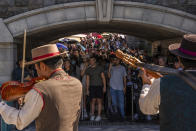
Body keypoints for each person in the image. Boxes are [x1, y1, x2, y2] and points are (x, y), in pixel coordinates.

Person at [0, 44, 82, 131]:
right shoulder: (77, 83)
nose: (37, 73)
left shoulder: (41, 89)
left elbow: (20, 121)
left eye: (37, 68)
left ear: (42, 66)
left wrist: (1, 106)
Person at [139, 34, 196, 131]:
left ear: (179, 59)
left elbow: (146, 108)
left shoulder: (162, 82)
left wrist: (146, 84)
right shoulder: (162, 82)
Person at [86, 55, 106, 121]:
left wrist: (104, 87)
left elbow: (103, 78)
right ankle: (92, 115)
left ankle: (99, 115)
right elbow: (87, 80)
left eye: (92, 60)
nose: (91, 62)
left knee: (99, 101)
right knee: (93, 101)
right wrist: (87, 89)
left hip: (99, 86)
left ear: (95, 61)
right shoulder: (88, 69)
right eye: (90, 61)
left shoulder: (100, 68)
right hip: (92, 86)